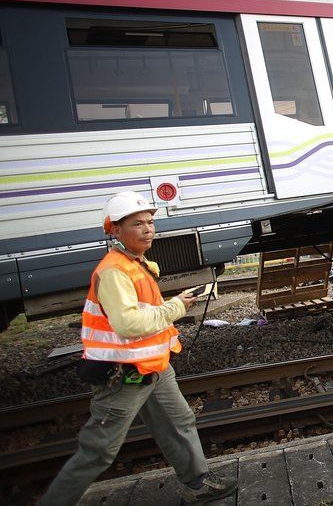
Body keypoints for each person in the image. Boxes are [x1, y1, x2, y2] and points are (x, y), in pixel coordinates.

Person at [40, 191, 237, 505]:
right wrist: (176, 307)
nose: (148, 229)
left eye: (150, 222)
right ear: (116, 230)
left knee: (179, 423)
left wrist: (173, 306)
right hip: (124, 375)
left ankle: (198, 484)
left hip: (155, 367)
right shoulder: (114, 271)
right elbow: (128, 324)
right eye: (138, 224)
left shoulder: (135, 263)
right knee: (99, 451)